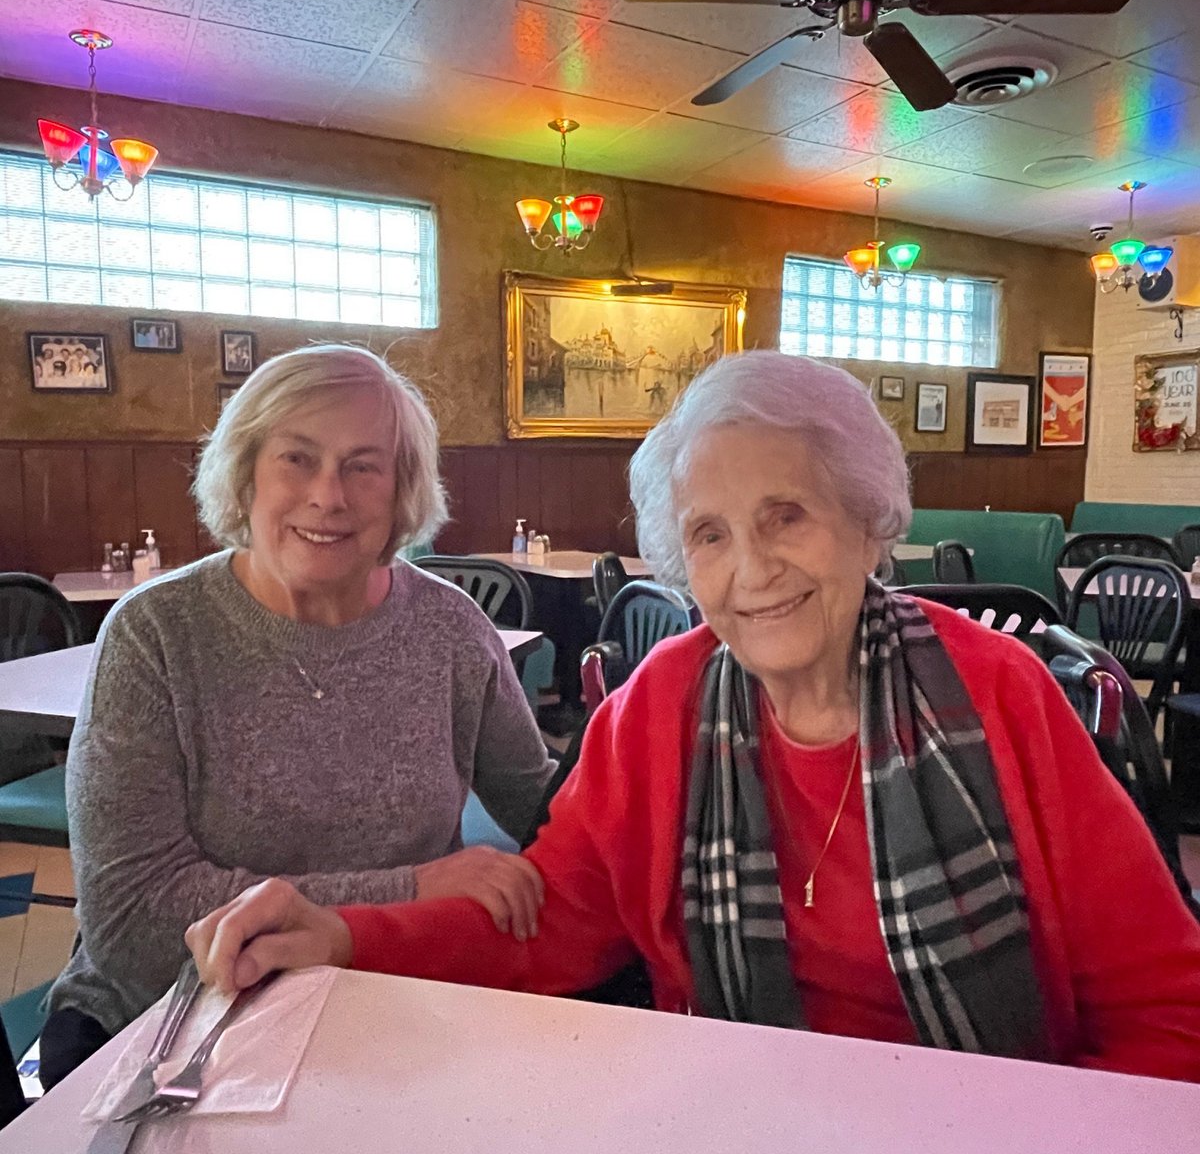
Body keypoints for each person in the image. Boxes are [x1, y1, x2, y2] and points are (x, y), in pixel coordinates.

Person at [188, 351, 1200, 1083]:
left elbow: (1170, 1013)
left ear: (867, 521)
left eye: (786, 516)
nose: (751, 570)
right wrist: (346, 938)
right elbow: (548, 920)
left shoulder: (997, 694)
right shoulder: (662, 704)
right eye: (709, 535)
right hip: (731, 1108)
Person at [42, 344, 556, 1087]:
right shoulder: (155, 634)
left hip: (389, 1004)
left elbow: (542, 807)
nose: (328, 495)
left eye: (363, 466)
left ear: (402, 490)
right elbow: (134, 921)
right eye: (297, 459)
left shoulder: (451, 630)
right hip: (172, 1023)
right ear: (246, 472)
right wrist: (410, 888)